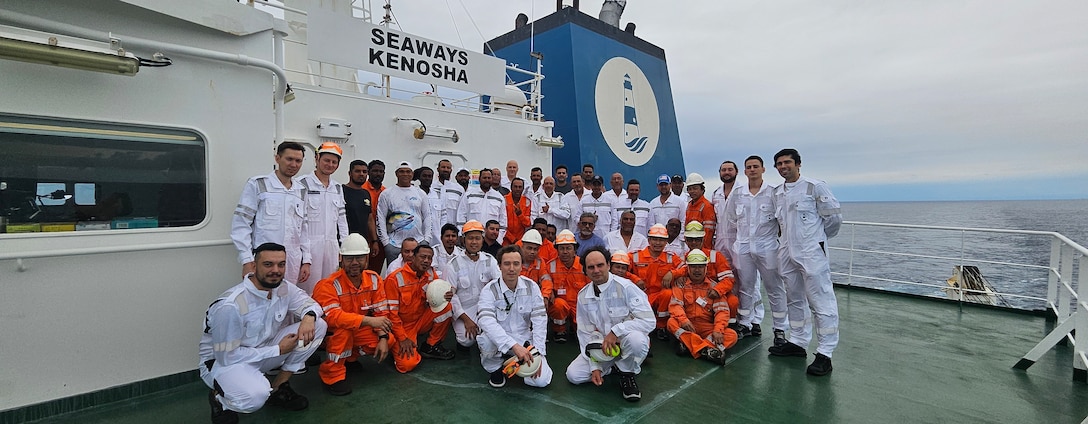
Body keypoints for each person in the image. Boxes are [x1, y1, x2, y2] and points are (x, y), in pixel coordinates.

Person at [200, 243, 327, 423]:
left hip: (263, 351)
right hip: (223, 365)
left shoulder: (282, 288)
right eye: (268, 264)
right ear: (253, 266)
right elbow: (227, 357)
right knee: (255, 397)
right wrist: (277, 350)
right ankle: (219, 399)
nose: (276, 270)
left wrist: (308, 317)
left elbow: (311, 305)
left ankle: (278, 387)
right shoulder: (232, 306)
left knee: (319, 325)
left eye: (281, 264)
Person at [767, 148, 843, 377]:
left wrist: (817, 242)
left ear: (798, 164)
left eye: (787, 162)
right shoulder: (777, 192)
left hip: (811, 252)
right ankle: (798, 341)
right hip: (787, 251)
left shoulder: (814, 187)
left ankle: (825, 353)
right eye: (779, 164)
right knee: (794, 298)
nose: (783, 167)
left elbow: (833, 220)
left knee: (821, 300)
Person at [565, 247, 654, 402]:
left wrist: (616, 331)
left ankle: (627, 374)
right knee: (574, 375)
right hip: (603, 346)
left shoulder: (626, 287)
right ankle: (614, 366)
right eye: (591, 267)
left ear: (608, 265)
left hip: (626, 340)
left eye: (600, 265)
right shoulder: (583, 296)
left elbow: (649, 321)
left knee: (637, 341)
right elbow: (585, 333)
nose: (596, 270)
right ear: (585, 270)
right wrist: (595, 367)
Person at [311, 234, 396, 395]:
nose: (355, 263)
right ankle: (332, 374)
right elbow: (334, 318)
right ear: (340, 259)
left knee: (389, 338)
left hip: (357, 329)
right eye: (350, 258)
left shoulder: (374, 279)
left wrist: (383, 338)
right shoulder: (328, 285)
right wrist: (369, 320)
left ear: (367, 259)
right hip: (332, 333)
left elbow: (382, 313)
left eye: (360, 258)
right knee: (344, 332)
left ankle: (349, 359)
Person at [725, 155, 787, 346]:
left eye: (755, 166)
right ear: (744, 171)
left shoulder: (773, 192)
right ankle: (745, 323)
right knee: (746, 287)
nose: (752, 170)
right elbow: (730, 218)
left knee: (774, 288)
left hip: (767, 247)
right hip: (744, 247)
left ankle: (780, 329)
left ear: (763, 169)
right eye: (749, 167)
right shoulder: (738, 194)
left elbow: (782, 220)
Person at [231, 142, 311, 285]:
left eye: (298, 161)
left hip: (292, 260)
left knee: (286, 299)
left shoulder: (301, 190)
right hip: (265, 260)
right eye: (289, 159)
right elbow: (241, 224)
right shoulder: (258, 184)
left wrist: (306, 260)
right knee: (262, 299)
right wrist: (247, 260)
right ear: (277, 158)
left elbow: (304, 228)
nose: (293, 164)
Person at [477, 245, 552, 388]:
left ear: (521, 266)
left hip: (524, 340)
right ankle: (495, 368)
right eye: (507, 263)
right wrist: (513, 346)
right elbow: (486, 321)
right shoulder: (489, 290)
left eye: (516, 264)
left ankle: (514, 360)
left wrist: (539, 354)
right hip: (499, 340)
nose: (511, 268)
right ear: (499, 266)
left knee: (541, 381)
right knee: (486, 340)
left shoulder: (532, 287)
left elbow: (540, 320)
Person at [384, 243, 456, 367]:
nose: (426, 261)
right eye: (423, 257)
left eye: (429, 258)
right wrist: (402, 338)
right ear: (413, 257)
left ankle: (431, 345)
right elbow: (391, 315)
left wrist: (445, 296)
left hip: (421, 320)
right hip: (402, 326)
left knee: (447, 307)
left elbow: (437, 296)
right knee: (407, 365)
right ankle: (395, 348)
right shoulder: (394, 279)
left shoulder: (431, 275)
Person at [664, 221, 740, 330]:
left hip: (713, 294)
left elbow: (729, 279)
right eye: (690, 239)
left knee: (732, 302)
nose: (693, 242)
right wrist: (674, 274)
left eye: (697, 239)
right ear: (685, 240)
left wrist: (717, 290)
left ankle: (728, 327)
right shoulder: (683, 258)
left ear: (703, 239)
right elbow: (680, 273)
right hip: (691, 294)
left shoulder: (715, 256)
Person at [667, 249, 737, 365]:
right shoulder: (680, 284)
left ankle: (692, 347)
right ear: (688, 268)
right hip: (688, 325)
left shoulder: (714, 288)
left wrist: (718, 330)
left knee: (732, 335)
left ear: (706, 268)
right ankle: (707, 350)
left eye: (700, 267)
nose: (697, 270)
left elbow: (722, 312)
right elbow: (675, 305)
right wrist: (684, 320)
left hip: (707, 328)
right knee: (671, 322)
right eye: (694, 267)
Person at [299, 142, 350, 293]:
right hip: (309, 246)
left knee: (329, 287)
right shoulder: (302, 184)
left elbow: (342, 220)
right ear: (317, 159)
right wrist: (303, 251)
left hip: (332, 247)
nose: (330, 164)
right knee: (308, 288)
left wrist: (344, 247)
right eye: (326, 160)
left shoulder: (337, 188)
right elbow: (299, 221)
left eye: (334, 162)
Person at [446, 220, 501, 351]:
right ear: (463, 240)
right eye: (470, 238)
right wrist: (466, 320)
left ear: (482, 240)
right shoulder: (453, 265)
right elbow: (451, 297)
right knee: (466, 340)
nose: (474, 242)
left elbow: (499, 285)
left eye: (477, 238)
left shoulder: (489, 260)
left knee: (494, 333)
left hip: (486, 306)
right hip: (464, 309)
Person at [630, 224, 683, 338]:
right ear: (649, 240)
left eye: (661, 240)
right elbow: (619, 269)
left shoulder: (670, 257)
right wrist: (635, 278)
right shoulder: (635, 256)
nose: (658, 243)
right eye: (655, 239)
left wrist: (672, 273)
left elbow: (685, 268)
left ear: (666, 242)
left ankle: (661, 326)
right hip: (640, 296)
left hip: (659, 296)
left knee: (668, 293)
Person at [377, 161, 432, 267]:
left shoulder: (420, 193)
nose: (405, 174)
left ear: (412, 174)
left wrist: (426, 239)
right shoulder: (386, 194)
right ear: (396, 174)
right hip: (394, 245)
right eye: (401, 171)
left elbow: (427, 217)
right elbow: (380, 218)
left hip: (418, 244)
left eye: (408, 171)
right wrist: (386, 243)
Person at [542, 229, 586, 343]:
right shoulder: (550, 266)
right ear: (557, 249)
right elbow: (545, 282)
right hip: (561, 304)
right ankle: (559, 330)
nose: (565, 251)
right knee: (558, 305)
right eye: (562, 248)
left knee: (585, 335)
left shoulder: (583, 265)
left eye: (568, 248)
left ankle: (574, 327)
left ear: (575, 249)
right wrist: (549, 292)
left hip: (580, 305)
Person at [456, 168, 507, 242]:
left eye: (489, 178)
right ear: (479, 179)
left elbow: (503, 221)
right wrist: (462, 235)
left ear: (492, 179)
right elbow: (461, 216)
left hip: (491, 240)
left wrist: (499, 239)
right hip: (472, 239)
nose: (487, 180)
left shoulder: (499, 197)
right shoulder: (469, 195)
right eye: (484, 178)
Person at [343, 159, 380, 260]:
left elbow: (369, 218)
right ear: (350, 173)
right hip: (345, 242)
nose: (361, 174)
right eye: (357, 171)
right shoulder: (341, 191)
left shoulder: (365, 193)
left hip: (363, 242)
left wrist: (374, 241)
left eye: (364, 172)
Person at [362, 160, 387, 273]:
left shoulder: (387, 192)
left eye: (381, 171)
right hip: (364, 238)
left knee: (375, 272)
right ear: (369, 172)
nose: (378, 174)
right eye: (375, 171)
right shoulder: (362, 190)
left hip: (381, 239)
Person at [711, 161, 739, 260]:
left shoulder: (742, 191)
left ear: (737, 172)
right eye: (723, 170)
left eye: (730, 170)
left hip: (738, 239)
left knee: (742, 273)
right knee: (722, 271)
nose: (726, 172)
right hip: (720, 240)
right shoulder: (716, 193)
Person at [684, 173, 717, 251]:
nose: (692, 191)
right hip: (691, 246)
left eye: (695, 188)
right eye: (690, 189)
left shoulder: (707, 206)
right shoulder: (689, 205)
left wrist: (702, 249)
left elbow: (708, 232)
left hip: (703, 248)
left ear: (702, 189)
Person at [504, 177, 532, 245]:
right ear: (511, 187)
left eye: (520, 187)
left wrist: (520, 214)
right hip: (505, 239)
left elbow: (528, 224)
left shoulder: (527, 202)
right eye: (515, 186)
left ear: (523, 189)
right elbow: (502, 223)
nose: (517, 189)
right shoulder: (504, 200)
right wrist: (512, 238)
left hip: (521, 240)